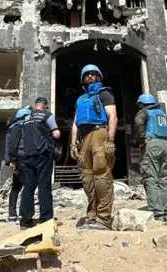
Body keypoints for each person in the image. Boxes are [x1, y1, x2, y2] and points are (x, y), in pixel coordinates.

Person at [69, 64, 118, 230]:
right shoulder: (80, 99)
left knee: (101, 176)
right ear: (83, 79)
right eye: (87, 75)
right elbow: (75, 123)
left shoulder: (104, 93)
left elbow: (113, 117)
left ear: (98, 77)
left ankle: (104, 219)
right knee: (87, 178)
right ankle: (92, 217)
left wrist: (110, 139)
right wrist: (72, 143)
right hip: (84, 139)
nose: (90, 76)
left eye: (93, 74)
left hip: (99, 133)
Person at [134, 93, 167, 222]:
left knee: (151, 179)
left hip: (151, 145)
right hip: (165, 145)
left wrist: (141, 141)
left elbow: (138, 123)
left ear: (142, 104)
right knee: (163, 180)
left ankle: (157, 214)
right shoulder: (163, 115)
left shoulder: (144, 113)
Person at [19, 97, 60, 230]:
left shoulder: (26, 118)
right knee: (44, 187)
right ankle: (46, 219)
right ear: (45, 106)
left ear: (35, 105)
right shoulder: (47, 116)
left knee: (28, 188)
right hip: (43, 155)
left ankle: (25, 221)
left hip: (28, 156)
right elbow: (56, 134)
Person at [4, 107, 31, 224]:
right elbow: (15, 145)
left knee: (16, 188)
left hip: (15, 160)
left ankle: (12, 215)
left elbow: (8, 146)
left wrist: (10, 160)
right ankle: (23, 215)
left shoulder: (11, 127)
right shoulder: (20, 127)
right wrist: (14, 160)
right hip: (21, 160)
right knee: (25, 188)